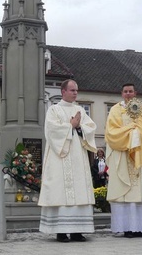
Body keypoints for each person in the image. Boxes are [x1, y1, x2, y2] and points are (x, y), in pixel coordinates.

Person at [38, 79, 98, 242]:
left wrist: (79, 127)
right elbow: (51, 131)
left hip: (77, 155)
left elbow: (90, 128)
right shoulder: (54, 110)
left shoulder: (80, 110)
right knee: (60, 190)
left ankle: (78, 231)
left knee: (78, 189)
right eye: (72, 90)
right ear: (63, 91)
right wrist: (70, 125)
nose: (75, 93)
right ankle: (61, 231)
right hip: (60, 156)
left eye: (76, 90)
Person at [105, 83, 142, 238]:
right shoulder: (115, 109)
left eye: (130, 91)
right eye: (125, 91)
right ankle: (128, 228)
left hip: (140, 155)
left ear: (135, 93)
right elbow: (111, 132)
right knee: (125, 191)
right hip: (123, 154)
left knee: (140, 190)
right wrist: (130, 133)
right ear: (121, 93)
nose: (128, 94)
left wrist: (139, 135)